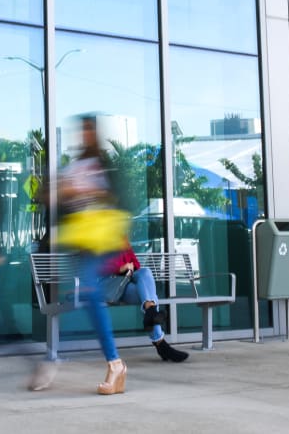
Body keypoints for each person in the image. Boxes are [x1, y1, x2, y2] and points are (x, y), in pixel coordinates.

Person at [39, 115, 128, 395]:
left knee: (89, 294)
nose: (84, 135)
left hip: (104, 241)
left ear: (96, 133)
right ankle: (112, 364)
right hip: (83, 243)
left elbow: (121, 201)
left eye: (88, 130)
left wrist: (87, 190)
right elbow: (51, 198)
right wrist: (60, 193)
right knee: (88, 297)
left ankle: (113, 364)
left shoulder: (104, 164)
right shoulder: (74, 166)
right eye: (81, 130)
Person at [99, 244, 188, 362]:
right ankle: (160, 343)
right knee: (150, 296)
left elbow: (135, 262)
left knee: (145, 273)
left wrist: (130, 267)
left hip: (124, 281)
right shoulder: (97, 236)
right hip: (109, 286)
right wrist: (120, 268)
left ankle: (150, 313)